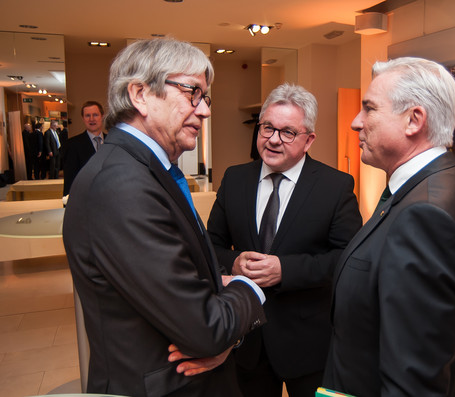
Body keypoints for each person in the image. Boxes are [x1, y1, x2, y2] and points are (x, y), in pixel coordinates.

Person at [62, 38, 266, 397]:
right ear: (140, 94)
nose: (204, 111)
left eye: (206, 98)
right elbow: (206, 330)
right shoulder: (121, 185)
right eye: (192, 93)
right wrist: (246, 287)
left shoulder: (146, 170)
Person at [322, 57, 455, 397]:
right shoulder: (435, 185)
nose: (356, 122)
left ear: (414, 120)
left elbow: (414, 385)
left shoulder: (426, 215)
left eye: (369, 109)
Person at [204, 83, 362, 397]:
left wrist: (285, 270)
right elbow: (210, 244)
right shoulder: (235, 178)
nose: (274, 140)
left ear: (309, 140)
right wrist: (232, 261)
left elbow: (348, 259)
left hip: (309, 343)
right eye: (267, 128)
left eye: (288, 132)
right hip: (247, 340)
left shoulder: (335, 186)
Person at [62, 101, 106, 196]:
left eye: (95, 115)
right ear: (83, 118)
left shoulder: (113, 141)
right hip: (85, 202)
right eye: (87, 115)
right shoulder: (72, 145)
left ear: (102, 116)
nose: (91, 119)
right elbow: (70, 181)